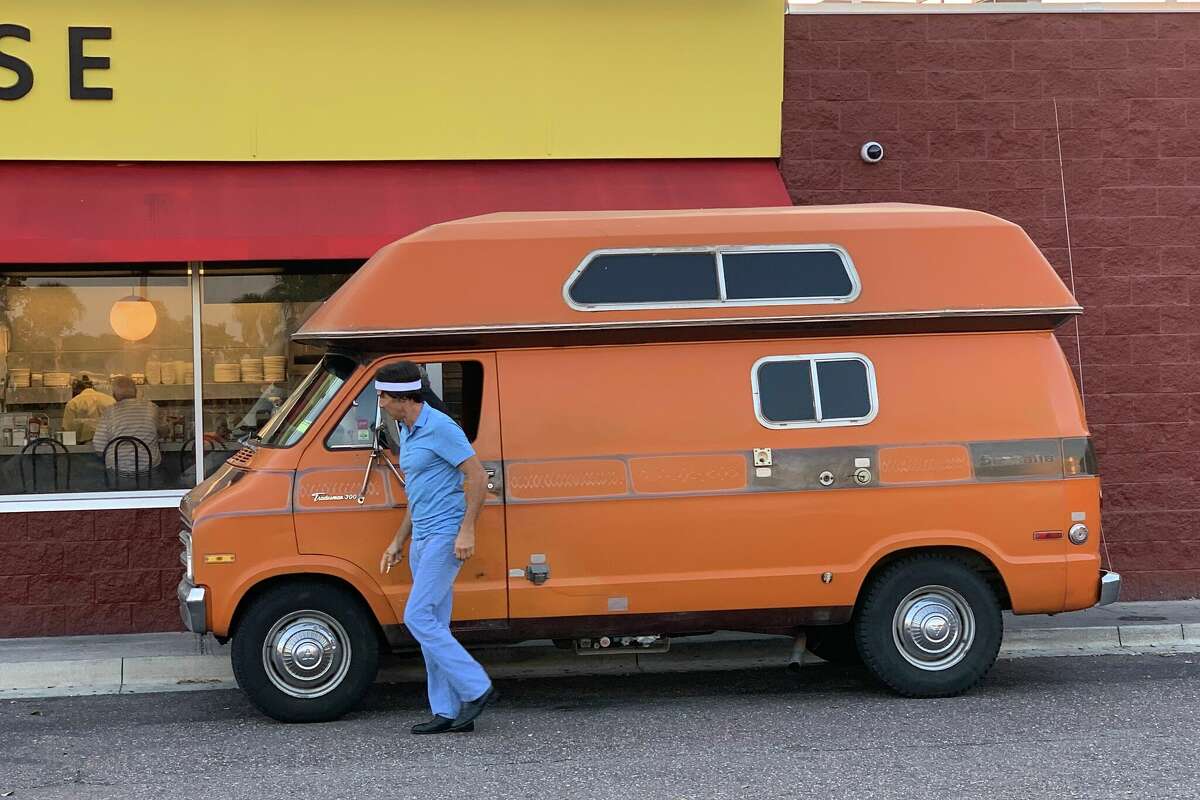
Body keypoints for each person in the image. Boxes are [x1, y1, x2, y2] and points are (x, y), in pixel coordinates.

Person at [376, 360, 497, 734]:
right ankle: (446, 711)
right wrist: (398, 541)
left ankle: (476, 686)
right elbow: (417, 494)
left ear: (403, 397)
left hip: (446, 535)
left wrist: (467, 531)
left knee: (418, 617)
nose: (379, 401)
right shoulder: (407, 430)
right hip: (422, 537)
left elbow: (477, 476)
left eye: (383, 395)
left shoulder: (441, 428)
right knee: (434, 623)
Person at [93, 375, 162, 476]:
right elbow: (164, 431)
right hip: (149, 471)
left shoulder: (109, 412)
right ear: (136, 392)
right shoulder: (152, 408)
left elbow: (98, 446)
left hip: (117, 473)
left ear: (114, 395)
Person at [61, 374, 115, 443]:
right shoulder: (110, 400)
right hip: (108, 445)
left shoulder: (73, 403)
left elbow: (67, 430)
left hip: (84, 447)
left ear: (76, 390)